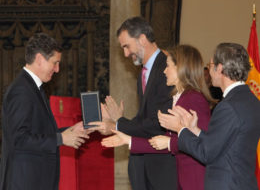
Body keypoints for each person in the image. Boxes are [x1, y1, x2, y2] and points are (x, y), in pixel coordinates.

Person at [102, 45, 215, 190]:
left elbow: (202, 145)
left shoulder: (193, 98)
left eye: (168, 66)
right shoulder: (179, 98)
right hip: (182, 180)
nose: (164, 71)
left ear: (180, 68)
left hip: (194, 181)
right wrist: (128, 140)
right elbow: (163, 144)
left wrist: (169, 142)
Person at [90, 16, 177, 190]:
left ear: (142, 39)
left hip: (161, 171)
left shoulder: (167, 70)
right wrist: (120, 120)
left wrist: (117, 125)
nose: (125, 54)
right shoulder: (143, 74)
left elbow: (159, 123)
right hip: (145, 169)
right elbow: (146, 119)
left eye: (126, 46)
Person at [158, 43, 260, 190]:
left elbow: (206, 153)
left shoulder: (227, 106)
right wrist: (195, 130)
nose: (208, 71)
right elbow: (222, 144)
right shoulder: (252, 101)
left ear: (219, 68)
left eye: (210, 65)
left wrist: (180, 129)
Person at [0, 33, 89, 190]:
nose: (57, 69)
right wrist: (61, 138)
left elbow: (39, 131)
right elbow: (19, 139)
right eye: (55, 63)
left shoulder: (33, 88)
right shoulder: (21, 90)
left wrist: (70, 130)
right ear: (40, 59)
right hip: (25, 182)